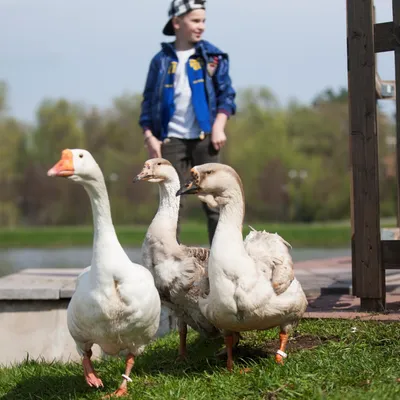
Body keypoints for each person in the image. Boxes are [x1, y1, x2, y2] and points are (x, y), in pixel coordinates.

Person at [139, 0, 236, 244]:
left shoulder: (212, 58)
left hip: (206, 139)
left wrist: (218, 126)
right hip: (171, 140)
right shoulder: (160, 61)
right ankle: (169, 262)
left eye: (203, 21)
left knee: (214, 203)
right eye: (195, 20)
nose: (201, 26)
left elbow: (226, 96)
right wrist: (150, 137)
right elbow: (148, 102)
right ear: (177, 22)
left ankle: (220, 260)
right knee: (172, 203)